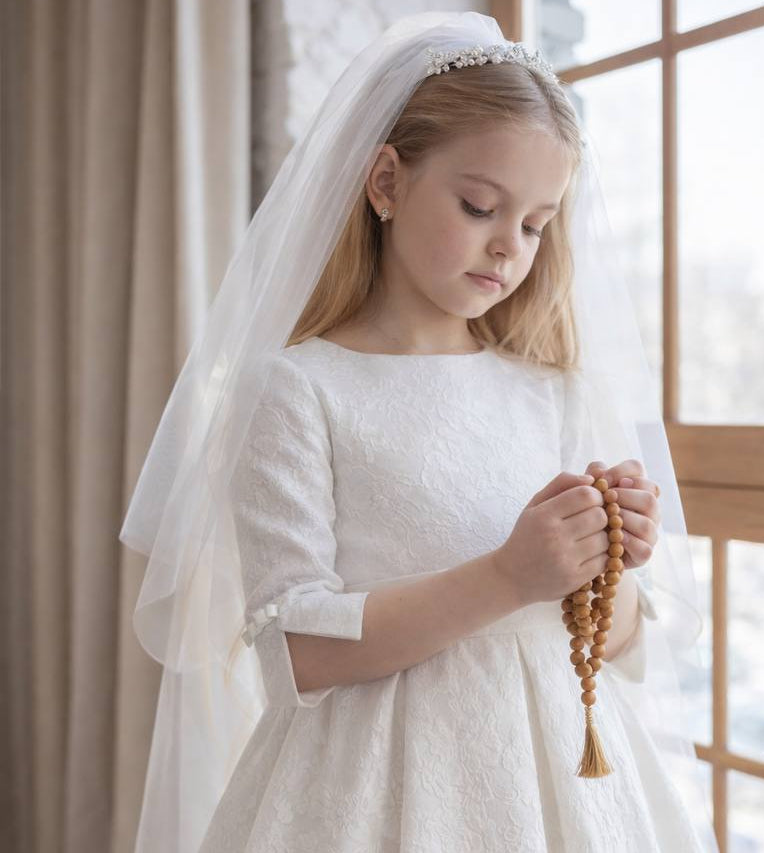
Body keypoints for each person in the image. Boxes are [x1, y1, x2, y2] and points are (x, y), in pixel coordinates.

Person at [120, 11, 717, 852]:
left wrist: (607, 561)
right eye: (480, 205)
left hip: (561, 790)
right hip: (369, 789)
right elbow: (299, 652)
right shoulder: (297, 388)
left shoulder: (553, 392)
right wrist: (511, 572)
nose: (510, 247)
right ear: (387, 183)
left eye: (536, 223)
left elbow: (614, 647)